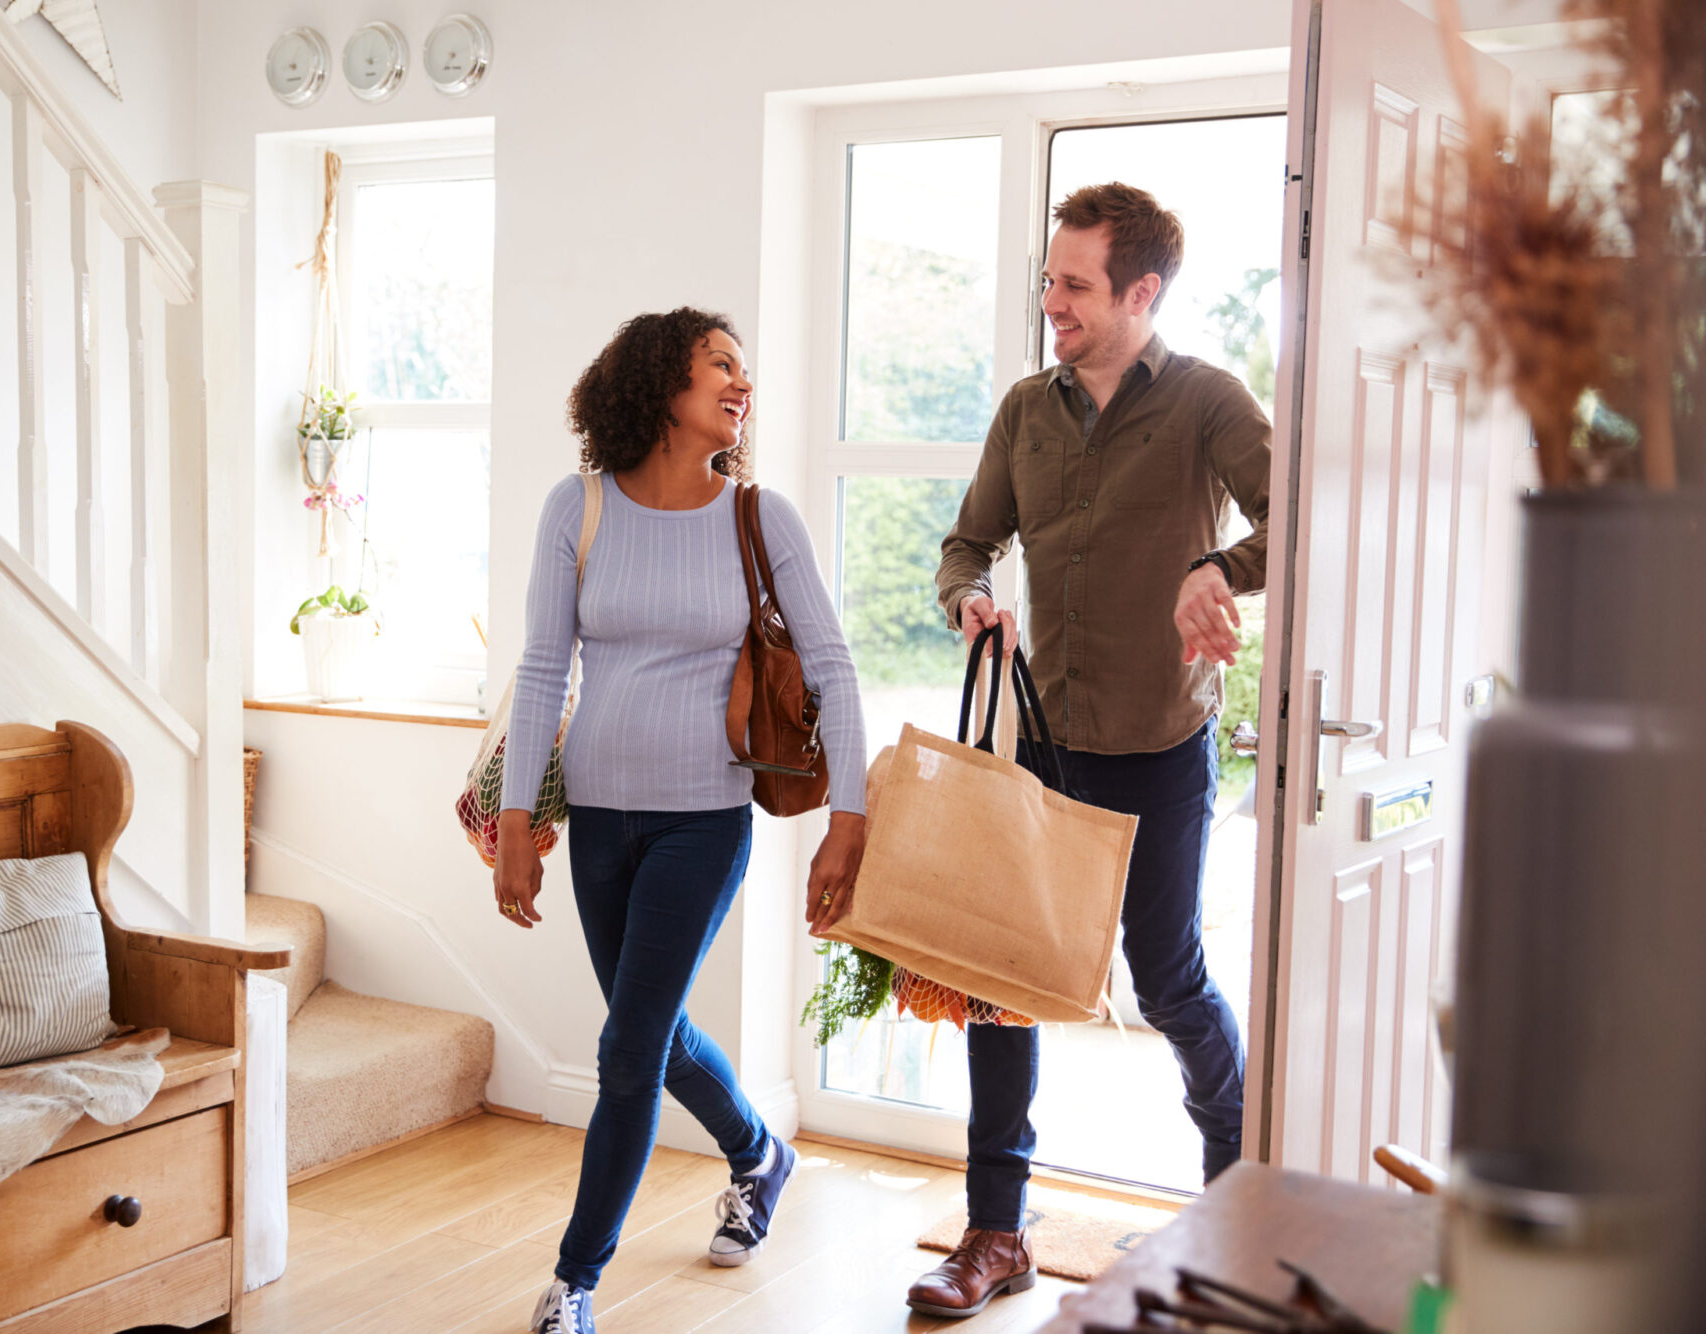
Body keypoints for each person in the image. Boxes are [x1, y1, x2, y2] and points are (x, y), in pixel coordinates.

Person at [907, 183, 1271, 1319]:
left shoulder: (1207, 401)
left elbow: (1297, 514)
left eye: (1073, 285)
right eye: (1047, 281)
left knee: (1167, 977)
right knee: (1002, 979)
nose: (1050, 302)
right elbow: (967, 542)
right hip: (1043, 746)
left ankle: (1237, 1196)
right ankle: (995, 1230)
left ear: (1139, 292)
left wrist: (1220, 570)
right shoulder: (1027, 408)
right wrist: (969, 599)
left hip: (1160, 742)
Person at [497, 308, 869, 1334]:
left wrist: (848, 816)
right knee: (649, 1033)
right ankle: (759, 1152)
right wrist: (519, 820)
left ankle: (574, 1281)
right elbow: (542, 668)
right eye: (720, 366)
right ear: (660, 381)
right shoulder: (577, 507)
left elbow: (832, 668)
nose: (741, 385)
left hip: (702, 821)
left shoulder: (759, 516)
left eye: (744, 371)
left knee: (626, 1051)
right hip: (597, 819)